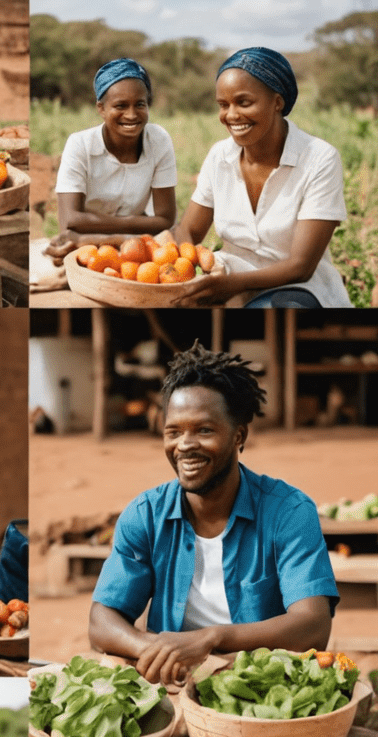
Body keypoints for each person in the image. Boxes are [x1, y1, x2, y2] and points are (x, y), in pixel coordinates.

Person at [88, 344, 337, 684]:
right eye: (173, 431)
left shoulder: (289, 512)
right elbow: (102, 620)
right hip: (173, 687)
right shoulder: (145, 515)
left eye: (204, 430)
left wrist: (211, 640)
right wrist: (159, 650)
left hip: (262, 689)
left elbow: (313, 625)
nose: (185, 445)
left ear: (239, 435)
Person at [174, 50, 350, 308]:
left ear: (277, 102)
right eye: (223, 105)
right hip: (227, 277)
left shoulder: (318, 159)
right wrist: (184, 268)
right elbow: (188, 230)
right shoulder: (219, 157)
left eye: (244, 103)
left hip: (294, 287)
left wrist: (231, 286)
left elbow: (301, 267)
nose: (231, 115)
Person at [45, 61, 176, 261]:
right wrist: (139, 222)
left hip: (113, 242)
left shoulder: (158, 140)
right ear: (101, 108)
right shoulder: (80, 145)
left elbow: (166, 219)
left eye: (140, 104)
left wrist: (102, 235)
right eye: (120, 106)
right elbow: (70, 220)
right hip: (85, 244)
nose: (131, 115)